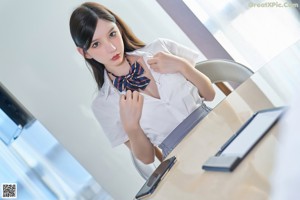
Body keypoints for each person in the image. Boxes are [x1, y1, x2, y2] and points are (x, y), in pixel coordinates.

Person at [69, 2, 215, 164]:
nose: (111, 47)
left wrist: (183, 66)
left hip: (216, 125)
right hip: (185, 162)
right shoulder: (104, 104)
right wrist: (132, 127)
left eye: (112, 34)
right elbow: (147, 158)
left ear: (119, 28)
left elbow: (210, 94)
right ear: (84, 53)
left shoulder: (160, 47)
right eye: (96, 44)